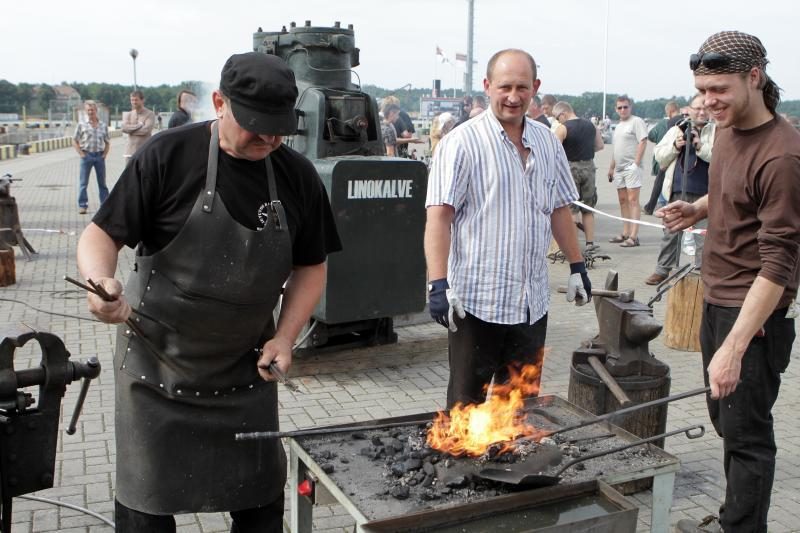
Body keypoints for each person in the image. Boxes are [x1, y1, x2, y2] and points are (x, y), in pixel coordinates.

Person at [76, 52, 341, 532]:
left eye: (278, 126)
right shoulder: (167, 155)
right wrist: (102, 284)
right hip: (156, 374)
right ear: (220, 102)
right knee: (147, 511)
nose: (268, 138)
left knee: (261, 508)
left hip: (245, 374)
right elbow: (99, 236)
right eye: (255, 124)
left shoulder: (297, 176)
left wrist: (284, 338)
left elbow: (311, 266)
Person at [658, 31, 800, 533]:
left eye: (718, 89)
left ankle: (741, 527)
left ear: (754, 78)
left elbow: (779, 263)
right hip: (716, 301)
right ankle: (733, 517)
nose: (707, 101)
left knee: (747, 436)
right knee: (726, 422)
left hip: (753, 317)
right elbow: (736, 197)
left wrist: (736, 347)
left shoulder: (782, 155)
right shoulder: (729, 130)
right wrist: (694, 208)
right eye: (701, 89)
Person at [425, 48, 592, 409]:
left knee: (518, 406)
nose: (513, 97)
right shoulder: (462, 143)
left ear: (536, 87)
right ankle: (460, 466)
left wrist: (577, 265)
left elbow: (560, 208)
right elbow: (439, 217)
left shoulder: (548, 142)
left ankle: (512, 462)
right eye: (504, 87)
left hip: (531, 303)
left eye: (522, 87)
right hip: (476, 304)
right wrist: (438, 283)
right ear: (487, 86)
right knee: (465, 410)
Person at [645, 94, 714, 286]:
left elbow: (721, 158)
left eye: (705, 108)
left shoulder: (718, 131)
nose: (701, 112)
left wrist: (701, 146)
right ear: (689, 109)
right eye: (697, 108)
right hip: (678, 190)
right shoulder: (677, 129)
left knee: (704, 237)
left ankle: (702, 272)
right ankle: (662, 269)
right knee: (671, 233)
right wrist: (676, 146)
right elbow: (659, 156)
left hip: (706, 193)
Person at [552, 101, 604, 252]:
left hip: (570, 168)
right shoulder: (591, 125)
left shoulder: (563, 128)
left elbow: (554, 149)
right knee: (588, 208)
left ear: (563, 114)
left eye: (557, 118)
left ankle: (572, 246)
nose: (557, 121)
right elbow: (600, 146)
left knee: (571, 208)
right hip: (589, 167)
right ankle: (590, 243)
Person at [607, 95, 647, 247]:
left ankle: (634, 236)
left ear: (630, 107)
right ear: (616, 109)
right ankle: (625, 232)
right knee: (622, 201)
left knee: (633, 201)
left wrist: (636, 163)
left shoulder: (636, 121)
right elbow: (616, 149)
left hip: (631, 167)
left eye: (625, 107)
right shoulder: (617, 126)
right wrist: (611, 167)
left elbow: (643, 141)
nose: (623, 110)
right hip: (619, 169)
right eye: (619, 107)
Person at [643, 101, 682, 215]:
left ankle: (653, 205)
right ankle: (653, 205)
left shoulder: (668, 123)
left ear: (669, 112)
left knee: (660, 180)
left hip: (668, 155)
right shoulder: (686, 120)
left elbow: (652, 136)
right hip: (681, 158)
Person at [72, 100, 110, 214]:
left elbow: (107, 142)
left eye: (92, 110)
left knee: (102, 183)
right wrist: (81, 154)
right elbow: (74, 140)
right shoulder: (81, 124)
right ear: (85, 111)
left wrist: (104, 155)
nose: (90, 112)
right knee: (83, 183)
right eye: (88, 110)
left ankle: (105, 205)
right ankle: (82, 205)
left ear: (96, 110)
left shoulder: (103, 125)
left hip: (99, 156)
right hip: (86, 155)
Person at [121, 90, 155, 163]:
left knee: (145, 174)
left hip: (144, 152)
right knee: (129, 174)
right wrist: (139, 125)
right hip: (129, 153)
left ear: (143, 100)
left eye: (136, 100)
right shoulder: (129, 114)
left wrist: (130, 131)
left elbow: (146, 130)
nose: (134, 102)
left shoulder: (150, 114)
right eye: (132, 100)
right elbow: (124, 128)